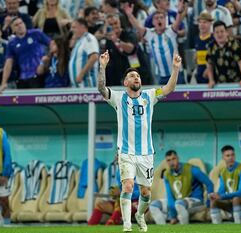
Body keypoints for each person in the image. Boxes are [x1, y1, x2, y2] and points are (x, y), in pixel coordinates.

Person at [97, 49, 183, 232]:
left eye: (137, 76)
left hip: (146, 153)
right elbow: (102, 89)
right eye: (132, 76)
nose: (136, 78)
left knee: (146, 193)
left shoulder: (150, 96)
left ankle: (140, 215)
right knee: (127, 186)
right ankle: (127, 226)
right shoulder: (118, 98)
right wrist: (102, 67)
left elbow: (169, 89)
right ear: (125, 82)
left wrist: (175, 69)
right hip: (126, 152)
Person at [149, 150, 214, 225]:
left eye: (173, 159)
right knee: (154, 205)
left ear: (178, 158)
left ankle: (184, 229)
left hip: (196, 202)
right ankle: (164, 230)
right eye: (169, 160)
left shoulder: (192, 170)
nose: (171, 162)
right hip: (178, 202)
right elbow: (170, 196)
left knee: (179, 204)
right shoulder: (167, 174)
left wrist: (209, 204)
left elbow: (209, 184)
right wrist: (172, 216)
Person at [0, 17, 51, 92]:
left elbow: (52, 44)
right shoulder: (12, 43)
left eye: (21, 23)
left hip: (38, 76)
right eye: (16, 25)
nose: (20, 26)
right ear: (13, 30)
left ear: (24, 24)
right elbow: (8, 63)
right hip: (22, 78)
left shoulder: (36, 33)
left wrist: (45, 60)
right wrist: (4, 83)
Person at [209, 145, 241, 224]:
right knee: (214, 201)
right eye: (228, 155)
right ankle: (216, 227)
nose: (231, 157)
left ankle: (239, 225)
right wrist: (215, 195)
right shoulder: (223, 171)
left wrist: (222, 196)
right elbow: (222, 190)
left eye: (232, 155)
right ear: (223, 157)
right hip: (232, 200)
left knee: (236, 199)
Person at [68, 18, 99, 88]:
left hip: (87, 83)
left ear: (82, 27)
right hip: (79, 85)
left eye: (74, 27)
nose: (71, 30)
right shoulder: (80, 41)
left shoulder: (89, 38)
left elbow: (94, 57)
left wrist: (81, 74)